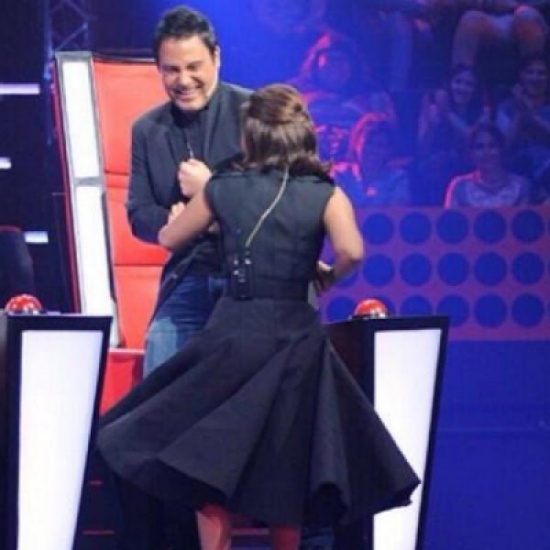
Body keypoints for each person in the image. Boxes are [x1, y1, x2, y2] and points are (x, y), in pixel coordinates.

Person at [97, 84, 419, 550]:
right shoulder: (326, 194)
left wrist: (183, 210)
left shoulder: (223, 188)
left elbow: (169, 239)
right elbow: (352, 250)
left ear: (251, 135)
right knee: (283, 470)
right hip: (296, 340)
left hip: (234, 334)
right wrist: (326, 275)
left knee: (210, 462)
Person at [121, 5, 251, 548]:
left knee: (252, 417)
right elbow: (138, 214)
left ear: (216, 58)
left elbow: (273, 202)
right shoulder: (147, 130)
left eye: (194, 66)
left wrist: (207, 195)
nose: (183, 80)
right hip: (187, 282)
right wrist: (170, 221)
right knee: (164, 403)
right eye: (171, 69)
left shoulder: (253, 114)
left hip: (248, 282)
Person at [415, 63, 490, 205]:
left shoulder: (481, 112)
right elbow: (422, 148)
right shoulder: (434, 110)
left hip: (470, 165)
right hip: (437, 169)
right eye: (458, 82)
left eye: (468, 84)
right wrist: (432, 122)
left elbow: (473, 139)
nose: (462, 88)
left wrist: (448, 114)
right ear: (449, 84)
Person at [444, 121, 533, 206]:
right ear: (471, 153)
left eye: (492, 146)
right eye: (480, 147)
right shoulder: (459, 187)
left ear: (501, 150)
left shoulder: (520, 186)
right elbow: (449, 217)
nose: (486, 152)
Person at [335, 114, 412, 207]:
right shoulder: (339, 174)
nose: (373, 150)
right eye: (368, 143)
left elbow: (396, 211)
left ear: (388, 150)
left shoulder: (397, 180)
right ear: (356, 142)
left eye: (380, 146)